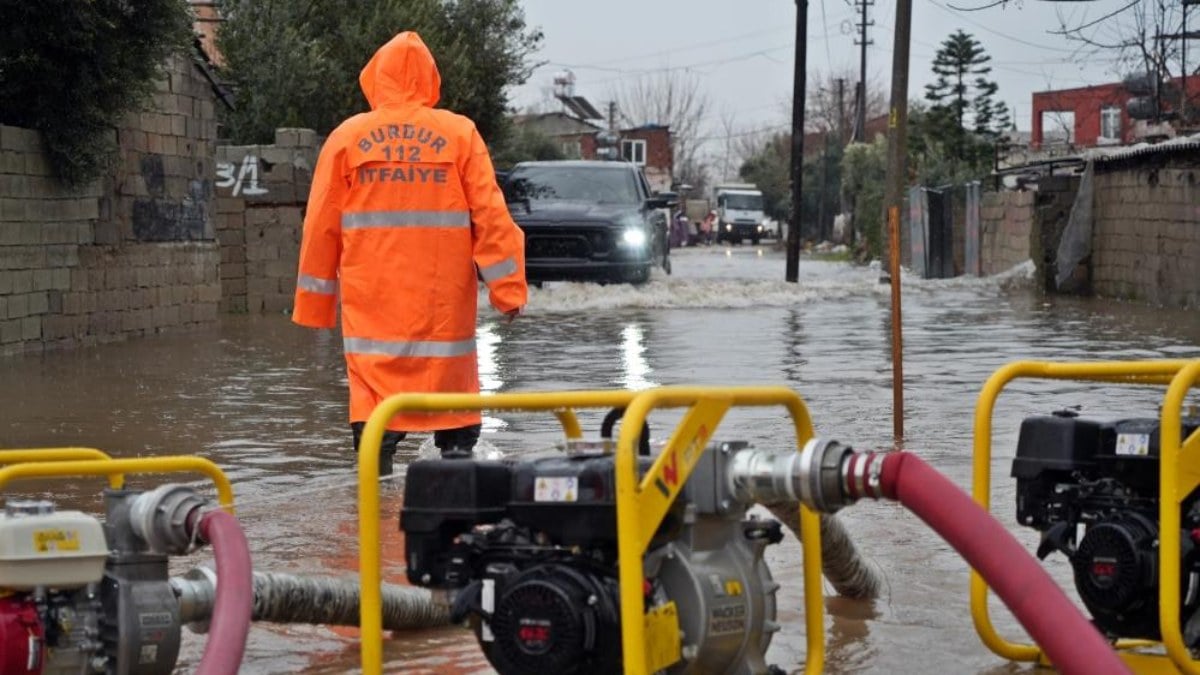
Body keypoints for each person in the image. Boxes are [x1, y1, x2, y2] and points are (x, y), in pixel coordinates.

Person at [292, 31, 527, 475]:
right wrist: (508, 291)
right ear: (431, 79)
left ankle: (370, 527)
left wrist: (315, 307)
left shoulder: (347, 138)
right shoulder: (459, 133)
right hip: (444, 319)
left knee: (374, 434)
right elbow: (492, 218)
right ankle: (453, 521)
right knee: (456, 434)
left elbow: (320, 226)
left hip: (372, 318)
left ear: (375, 77)